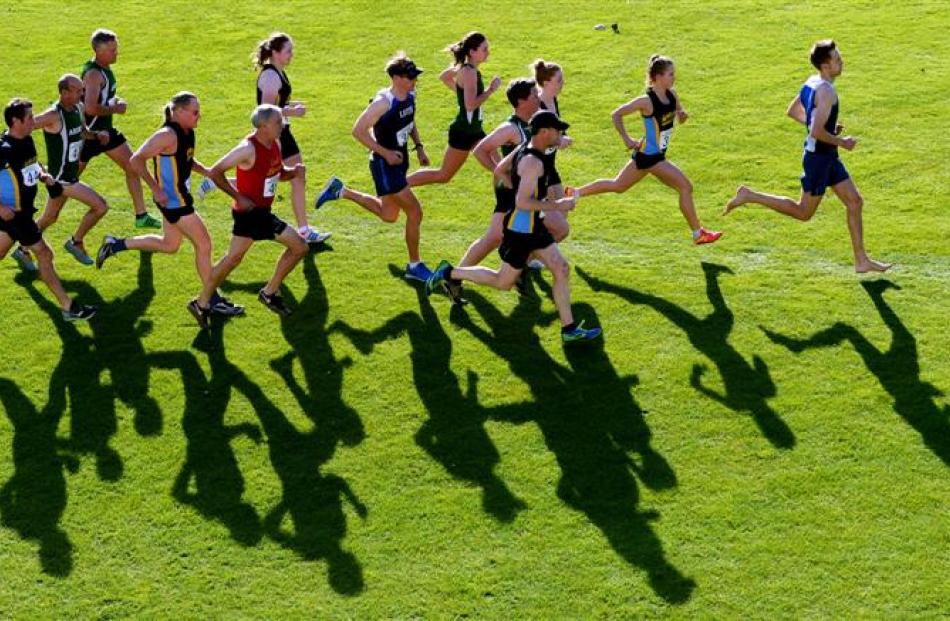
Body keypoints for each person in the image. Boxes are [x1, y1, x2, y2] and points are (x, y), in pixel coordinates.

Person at [426, 110, 601, 343]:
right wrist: (557, 204)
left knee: (561, 268)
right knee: (502, 282)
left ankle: (569, 330)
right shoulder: (533, 162)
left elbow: (499, 171)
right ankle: (449, 272)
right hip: (521, 232)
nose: (560, 134)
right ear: (544, 132)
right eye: (557, 130)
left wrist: (515, 189)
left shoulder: (525, 148)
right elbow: (522, 201)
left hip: (533, 227)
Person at [725, 40, 890, 272]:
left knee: (855, 202)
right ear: (825, 65)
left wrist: (824, 128)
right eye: (836, 58)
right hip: (818, 160)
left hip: (827, 156)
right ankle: (749, 195)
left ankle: (861, 260)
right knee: (803, 212)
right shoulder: (826, 91)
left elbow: (793, 111)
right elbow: (815, 131)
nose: (841, 60)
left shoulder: (812, 82)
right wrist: (841, 141)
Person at [95, 92, 243, 327]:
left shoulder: (187, 132)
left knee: (170, 245)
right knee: (204, 244)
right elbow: (135, 160)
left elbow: (186, 159)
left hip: (175, 200)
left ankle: (115, 244)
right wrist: (155, 189)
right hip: (174, 202)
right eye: (195, 112)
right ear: (179, 111)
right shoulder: (166, 135)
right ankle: (211, 299)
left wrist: (206, 172)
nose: (199, 116)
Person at [568, 55, 722, 245]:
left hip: (649, 154)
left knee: (618, 186)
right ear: (657, 77)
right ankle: (698, 233)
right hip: (652, 157)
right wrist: (626, 139)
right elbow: (616, 114)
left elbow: (679, 114)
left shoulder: (672, 95)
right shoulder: (645, 101)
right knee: (685, 187)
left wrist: (682, 115)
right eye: (670, 74)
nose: (674, 77)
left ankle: (575, 193)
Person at [314, 54, 433, 281]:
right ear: (396, 78)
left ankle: (341, 191)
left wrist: (419, 147)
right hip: (384, 164)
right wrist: (386, 153)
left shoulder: (410, 95)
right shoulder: (383, 103)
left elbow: (409, 121)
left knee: (388, 215)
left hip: (400, 159)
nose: (414, 81)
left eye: (415, 76)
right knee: (415, 211)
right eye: (410, 77)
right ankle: (414, 266)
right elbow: (357, 130)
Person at [197, 104, 309, 325]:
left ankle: (201, 303)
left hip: (259, 211)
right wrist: (238, 197)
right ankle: (269, 292)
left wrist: (293, 172)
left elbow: (277, 173)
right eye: (278, 122)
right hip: (253, 215)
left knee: (233, 259)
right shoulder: (247, 148)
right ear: (263, 125)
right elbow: (215, 172)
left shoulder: (274, 143)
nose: (283, 125)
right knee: (300, 247)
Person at [221, 32, 330, 245]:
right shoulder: (271, 76)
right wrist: (292, 112)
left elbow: (276, 106)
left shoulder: (278, 72)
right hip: (274, 133)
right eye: (288, 51)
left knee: (296, 174)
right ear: (275, 52)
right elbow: (267, 111)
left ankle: (305, 230)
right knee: (283, 176)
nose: (291, 55)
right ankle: (305, 231)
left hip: (280, 131)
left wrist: (290, 107)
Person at [0, 98, 97, 321]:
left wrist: (43, 175)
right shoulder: (3, 150)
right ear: (16, 121)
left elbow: (33, 163)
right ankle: (69, 307)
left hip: (20, 213)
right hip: (14, 214)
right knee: (44, 253)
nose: (34, 121)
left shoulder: (26, 139)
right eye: (30, 118)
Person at [79, 28, 161, 229]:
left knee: (133, 165)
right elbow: (90, 107)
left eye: (116, 49)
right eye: (112, 50)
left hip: (106, 134)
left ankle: (141, 216)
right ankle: (30, 238)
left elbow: (100, 100)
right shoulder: (94, 74)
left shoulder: (104, 69)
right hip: (89, 136)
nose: (116, 53)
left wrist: (113, 101)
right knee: (64, 186)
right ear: (98, 51)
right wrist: (116, 108)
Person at [30, 74, 110, 266]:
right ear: (64, 92)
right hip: (61, 179)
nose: (82, 94)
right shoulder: (52, 115)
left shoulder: (78, 108)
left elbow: (82, 131)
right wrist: (32, 162)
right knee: (101, 206)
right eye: (77, 91)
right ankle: (76, 242)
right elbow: (23, 129)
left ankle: (24, 247)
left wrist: (97, 135)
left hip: (69, 174)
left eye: (82, 89)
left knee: (50, 217)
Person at [459, 77, 539, 268]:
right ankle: (454, 274)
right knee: (495, 237)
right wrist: (501, 173)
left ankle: (522, 264)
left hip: (525, 188)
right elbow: (479, 150)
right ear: (521, 102)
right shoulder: (511, 128)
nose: (538, 98)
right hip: (509, 189)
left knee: (536, 228)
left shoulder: (532, 123)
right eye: (534, 95)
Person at [406, 32, 501, 188]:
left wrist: (461, 95)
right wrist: (490, 90)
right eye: (484, 49)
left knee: (500, 165)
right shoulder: (469, 73)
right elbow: (470, 105)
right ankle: (399, 186)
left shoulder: (467, 69)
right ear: (472, 52)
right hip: (464, 131)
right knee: (443, 175)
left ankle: (511, 194)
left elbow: (444, 76)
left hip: (474, 129)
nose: (488, 52)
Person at [532, 59, 573, 241]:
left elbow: (557, 130)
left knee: (562, 211)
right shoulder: (537, 107)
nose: (562, 83)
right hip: (539, 169)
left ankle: (541, 254)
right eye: (559, 80)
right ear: (546, 83)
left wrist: (563, 137)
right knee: (553, 216)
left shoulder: (553, 101)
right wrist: (559, 141)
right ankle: (535, 255)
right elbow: (537, 139)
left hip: (550, 166)